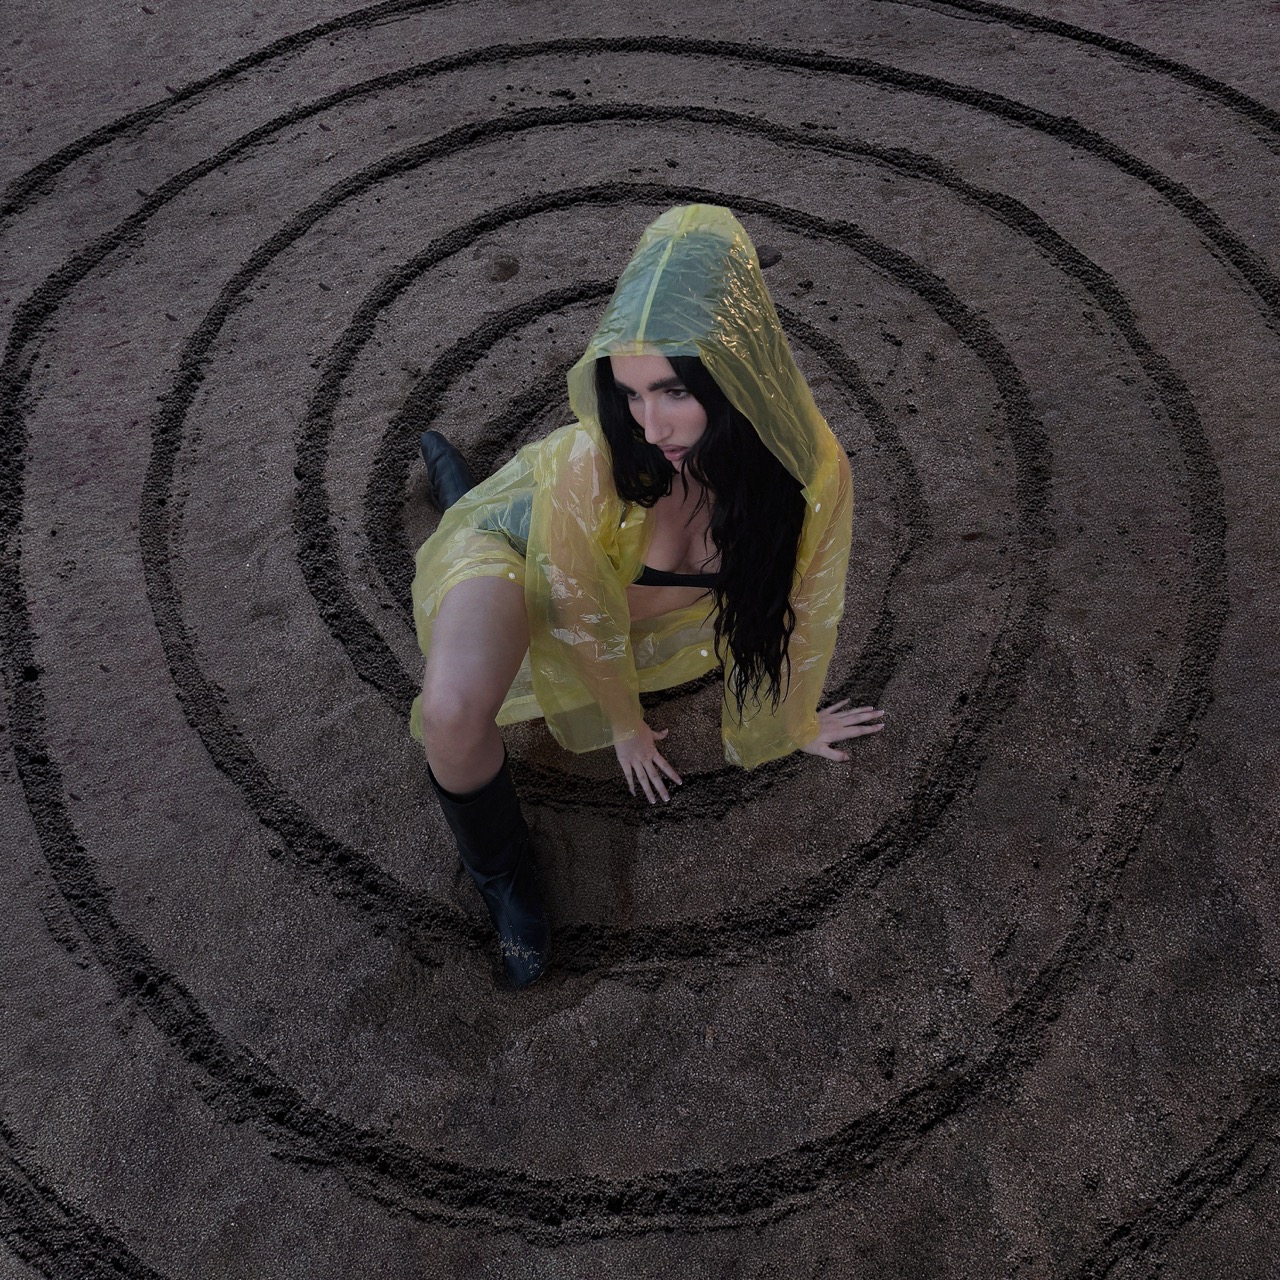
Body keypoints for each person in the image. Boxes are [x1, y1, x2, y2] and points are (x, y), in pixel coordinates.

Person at [410, 204, 884, 988]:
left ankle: (462, 489)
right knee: (453, 713)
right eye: (629, 394)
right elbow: (580, 610)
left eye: (672, 391)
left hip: (602, 593)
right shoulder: (593, 463)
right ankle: (503, 876)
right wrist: (624, 727)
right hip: (517, 554)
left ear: (734, 373)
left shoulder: (811, 475)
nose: (650, 424)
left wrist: (791, 721)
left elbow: (803, 605)